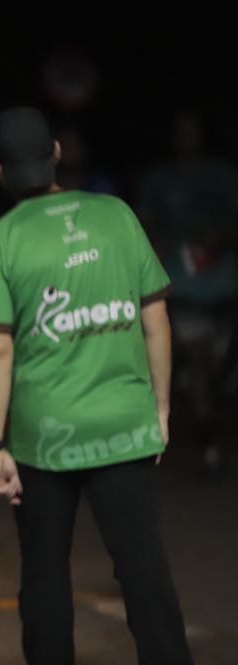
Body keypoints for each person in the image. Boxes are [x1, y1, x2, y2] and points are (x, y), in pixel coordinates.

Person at [0, 107, 194, 665]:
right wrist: (162, 409)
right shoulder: (115, 214)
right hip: (124, 420)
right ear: (57, 154)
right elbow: (156, 316)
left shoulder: (0, 239)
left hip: (43, 437)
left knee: (45, 570)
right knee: (142, 563)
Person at [137, 111, 238, 477]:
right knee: (199, 360)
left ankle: (200, 385)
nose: (186, 137)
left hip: (225, 288)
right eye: (180, 131)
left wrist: (219, 237)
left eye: (192, 130)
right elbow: (145, 224)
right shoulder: (158, 180)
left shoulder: (223, 176)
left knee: (216, 366)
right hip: (181, 289)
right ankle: (208, 445)